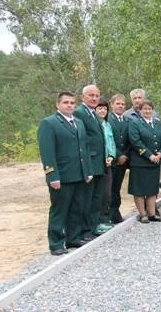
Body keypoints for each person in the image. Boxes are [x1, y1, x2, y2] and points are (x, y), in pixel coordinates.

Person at [38, 92, 93, 255]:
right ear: (57, 104)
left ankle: (73, 238)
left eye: (72, 103)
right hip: (61, 176)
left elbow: (85, 148)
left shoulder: (79, 122)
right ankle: (56, 243)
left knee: (76, 208)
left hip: (79, 174)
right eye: (65, 102)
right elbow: (47, 152)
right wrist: (52, 175)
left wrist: (88, 171)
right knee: (59, 210)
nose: (69, 105)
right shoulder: (49, 123)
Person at [73, 85, 108, 240]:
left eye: (96, 95)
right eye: (91, 95)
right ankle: (84, 230)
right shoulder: (79, 113)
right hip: (89, 163)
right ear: (83, 97)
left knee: (96, 198)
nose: (94, 98)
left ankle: (93, 227)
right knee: (86, 199)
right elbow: (81, 142)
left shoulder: (93, 113)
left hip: (99, 163)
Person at [128, 101, 161, 223]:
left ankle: (152, 214)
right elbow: (135, 141)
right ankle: (143, 214)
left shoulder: (158, 123)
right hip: (140, 162)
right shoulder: (134, 123)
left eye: (149, 109)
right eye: (144, 109)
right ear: (139, 111)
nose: (147, 111)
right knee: (139, 189)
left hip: (155, 162)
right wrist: (149, 155)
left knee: (152, 188)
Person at [94, 99, 116, 233]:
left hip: (108, 164)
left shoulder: (107, 124)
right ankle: (96, 222)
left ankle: (103, 219)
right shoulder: (95, 125)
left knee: (107, 194)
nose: (102, 111)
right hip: (98, 164)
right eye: (99, 108)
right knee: (98, 194)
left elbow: (111, 143)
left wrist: (111, 156)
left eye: (104, 109)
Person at [107, 94, 130, 224]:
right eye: (118, 103)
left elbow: (130, 140)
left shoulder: (128, 120)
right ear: (112, 105)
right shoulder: (107, 120)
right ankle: (109, 214)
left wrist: (125, 155)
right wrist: (118, 154)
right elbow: (107, 140)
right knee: (109, 189)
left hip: (123, 161)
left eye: (122, 104)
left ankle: (115, 212)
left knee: (117, 187)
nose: (120, 106)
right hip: (111, 160)